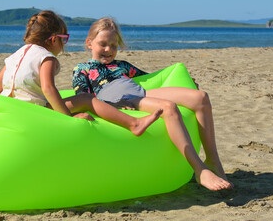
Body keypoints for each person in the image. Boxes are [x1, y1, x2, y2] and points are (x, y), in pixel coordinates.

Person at [72, 17, 233, 191]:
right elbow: (84, 99)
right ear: (89, 43)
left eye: (113, 45)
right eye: (103, 44)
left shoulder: (122, 66)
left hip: (139, 93)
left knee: (200, 97)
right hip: (121, 100)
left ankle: (213, 160)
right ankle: (199, 169)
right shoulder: (82, 68)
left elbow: (155, 79)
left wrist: (187, 83)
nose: (108, 49)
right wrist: (112, 107)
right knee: (168, 107)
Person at [0, 11, 162, 136]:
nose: (64, 45)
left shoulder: (15, 56)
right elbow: (49, 89)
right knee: (86, 98)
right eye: (65, 40)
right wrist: (69, 118)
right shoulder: (46, 57)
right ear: (54, 39)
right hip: (33, 110)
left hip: (11, 108)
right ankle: (134, 123)